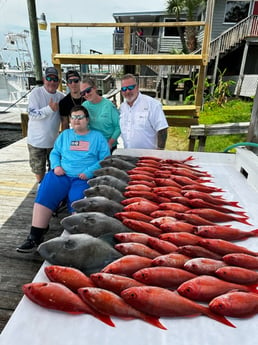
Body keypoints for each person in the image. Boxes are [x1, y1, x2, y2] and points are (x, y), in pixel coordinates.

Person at [17, 105, 110, 253]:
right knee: (46, 190)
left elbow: (105, 159)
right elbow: (55, 153)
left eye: (80, 117)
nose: (76, 120)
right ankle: (35, 235)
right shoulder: (65, 135)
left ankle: (74, 241)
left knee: (78, 199)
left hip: (82, 178)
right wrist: (56, 166)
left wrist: (89, 172)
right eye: (73, 117)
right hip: (62, 174)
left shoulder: (97, 137)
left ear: (87, 120)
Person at [27, 66, 64, 183]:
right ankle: (40, 186)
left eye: (55, 79)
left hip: (53, 142)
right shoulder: (35, 93)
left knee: (54, 167)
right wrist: (49, 109)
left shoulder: (61, 97)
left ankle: (50, 188)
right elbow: (32, 114)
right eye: (49, 78)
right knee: (38, 169)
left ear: (58, 82)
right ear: (44, 79)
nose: (52, 82)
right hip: (36, 142)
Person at [119, 73, 168, 149]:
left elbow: (162, 129)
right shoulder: (122, 107)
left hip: (148, 156)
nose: (127, 91)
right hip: (128, 154)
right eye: (124, 89)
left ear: (137, 87)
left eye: (131, 87)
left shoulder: (152, 104)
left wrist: (160, 151)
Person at [80, 77, 121, 153]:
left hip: (109, 145)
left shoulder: (109, 105)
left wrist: (110, 143)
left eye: (88, 91)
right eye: (82, 93)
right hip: (92, 146)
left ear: (95, 88)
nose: (86, 94)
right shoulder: (83, 106)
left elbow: (118, 127)